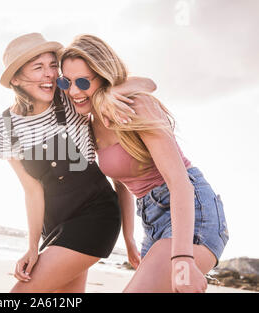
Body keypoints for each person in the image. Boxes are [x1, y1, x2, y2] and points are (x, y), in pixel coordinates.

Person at [59, 34, 229, 293]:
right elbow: (122, 182)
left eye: (83, 82)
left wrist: (182, 258)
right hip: (152, 221)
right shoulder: (91, 123)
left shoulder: (134, 106)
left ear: (104, 76)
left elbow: (179, 182)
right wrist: (128, 238)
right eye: (66, 81)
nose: (73, 91)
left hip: (192, 212)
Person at [0, 33, 156, 292]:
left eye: (52, 65)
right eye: (38, 67)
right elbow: (32, 189)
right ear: (16, 79)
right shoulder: (4, 127)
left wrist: (109, 95)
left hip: (95, 215)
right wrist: (32, 247)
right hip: (54, 226)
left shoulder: (69, 97)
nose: (49, 74)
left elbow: (147, 84)